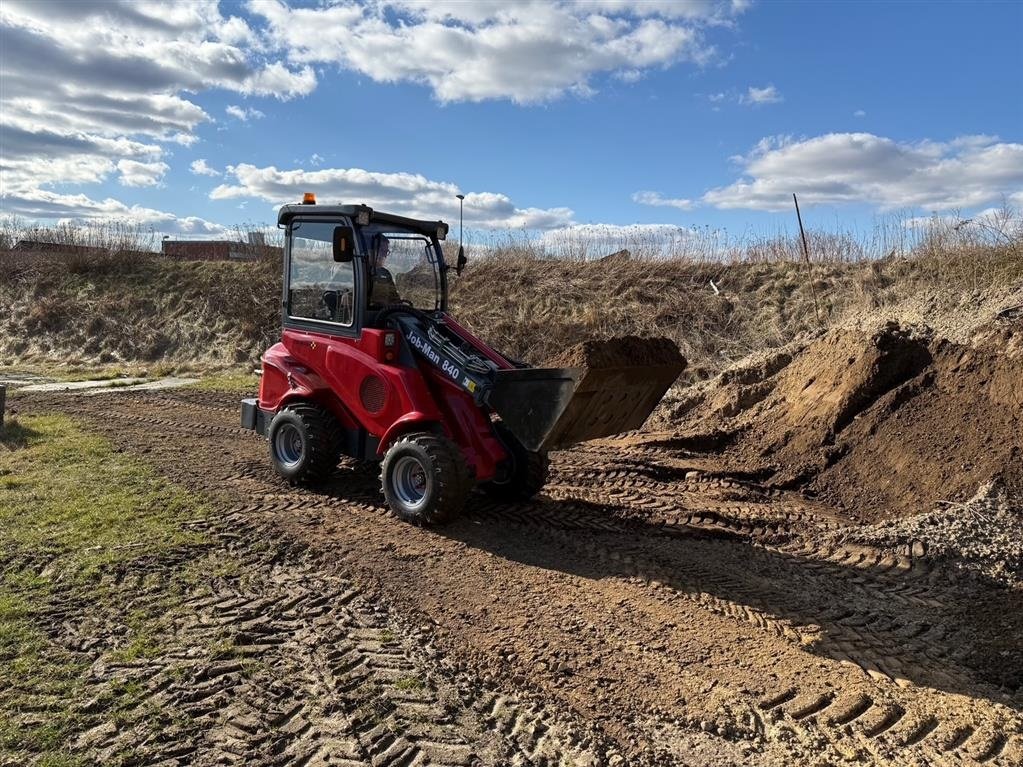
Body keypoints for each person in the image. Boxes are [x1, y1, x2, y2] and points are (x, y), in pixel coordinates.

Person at [369, 234, 401, 306]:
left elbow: (395, 298)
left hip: (383, 312)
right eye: (381, 250)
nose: (384, 255)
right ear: (370, 250)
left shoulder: (385, 274)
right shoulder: (356, 271)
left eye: (386, 252)